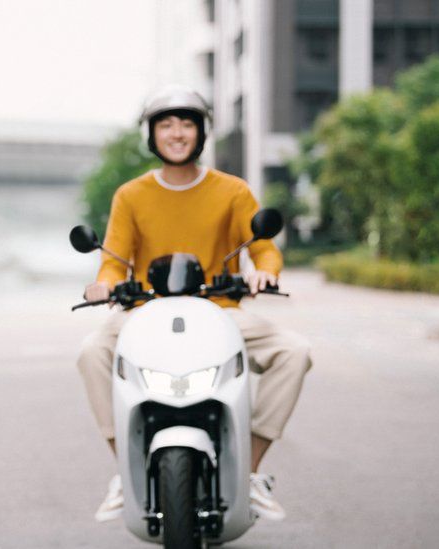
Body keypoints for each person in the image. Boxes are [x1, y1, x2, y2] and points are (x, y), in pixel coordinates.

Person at [76, 85, 312, 523]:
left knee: (293, 352)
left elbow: (264, 249)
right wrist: (104, 286)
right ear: (152, 135)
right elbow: (113, 261)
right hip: (145, 311)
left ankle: (252, 471)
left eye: (187, 123)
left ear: (202, 133)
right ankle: (124, 470)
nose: (177, 132)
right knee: (91, 352)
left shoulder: (233, 191)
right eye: (166, 124)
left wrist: (264, 272)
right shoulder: (131, 195)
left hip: (221, 310)